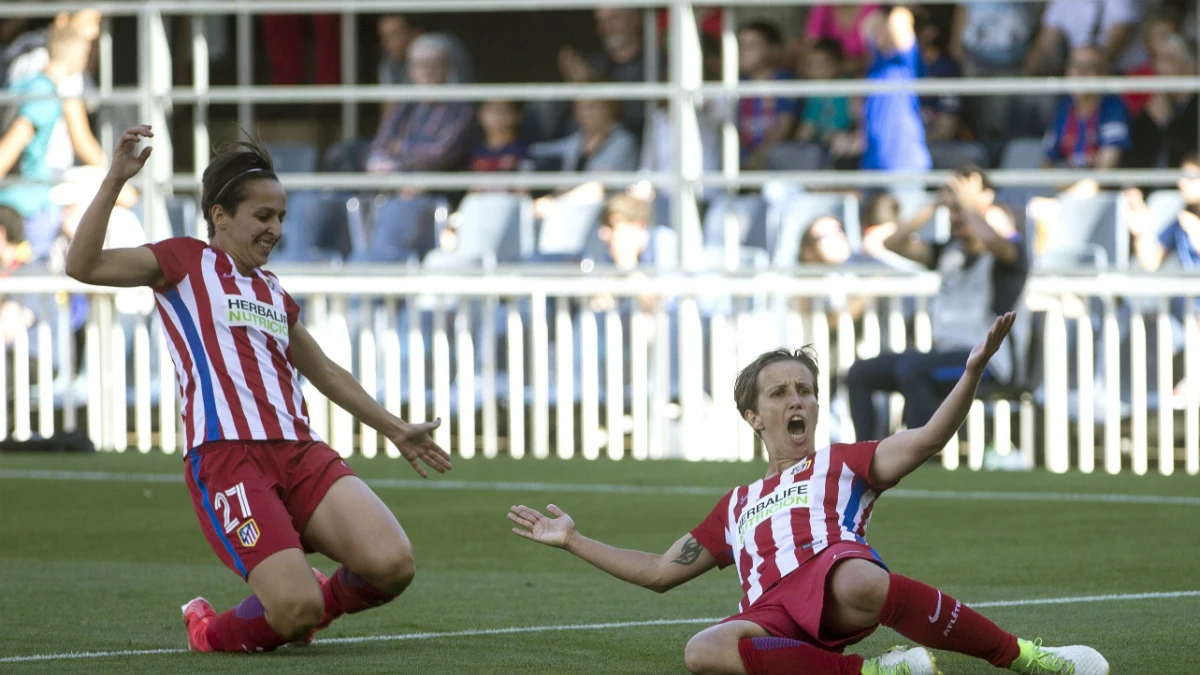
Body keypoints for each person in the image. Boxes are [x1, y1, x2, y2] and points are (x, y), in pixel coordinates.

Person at [509, 319, 1109, 675]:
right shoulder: (737, 504)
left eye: (805, 390)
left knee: (857, 579)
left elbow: (927, 439)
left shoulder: (843, 462)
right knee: (704, 650)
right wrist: (573, 540)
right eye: (779, 393)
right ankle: (877, 673)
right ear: (753, 416)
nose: (796, 400)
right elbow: (662, 572)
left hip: (834, 578)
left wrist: (971, 373)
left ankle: (1029, 658)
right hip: (772, 614)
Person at [64, 124, 452, 654]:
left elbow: (326, 372)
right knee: (293, 612)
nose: (275, 229)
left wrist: (396, 429)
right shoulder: (183, 261)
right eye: (263, 216)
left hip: (299, 452)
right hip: (227, 457)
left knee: (392, 565)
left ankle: (312, 605)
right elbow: (82, 265)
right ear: (220, 216)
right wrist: (113, 180)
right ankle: (210, 630)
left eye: (282, 218)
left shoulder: (272, 290)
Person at [849, 165, 1027, 442]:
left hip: (988, 361)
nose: (956, 214)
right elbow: (893, 243)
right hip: (944, 354)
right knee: (860, 373)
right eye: (952, 207)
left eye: (962, 204)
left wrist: (970, 207)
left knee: (914, 371)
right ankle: (865, 456)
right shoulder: (948, 251)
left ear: (986, 201)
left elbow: (995, 241)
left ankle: (916, 460)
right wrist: (934, 205)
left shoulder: (1009, 252)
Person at [0, 24, 92, 259]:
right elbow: (15, 141)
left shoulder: (24, 83)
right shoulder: (45, 94)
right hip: (28, 209)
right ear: (81, 58)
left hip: (15, 199)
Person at [736, 21, 799, 170]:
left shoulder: (785, 80)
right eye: (741, 46)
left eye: (751, 46)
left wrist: (760, 156)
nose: (743, 51)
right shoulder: (738, 83)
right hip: (742, 158)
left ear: (774, 50)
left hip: (776, 158)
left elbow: (785, 125)